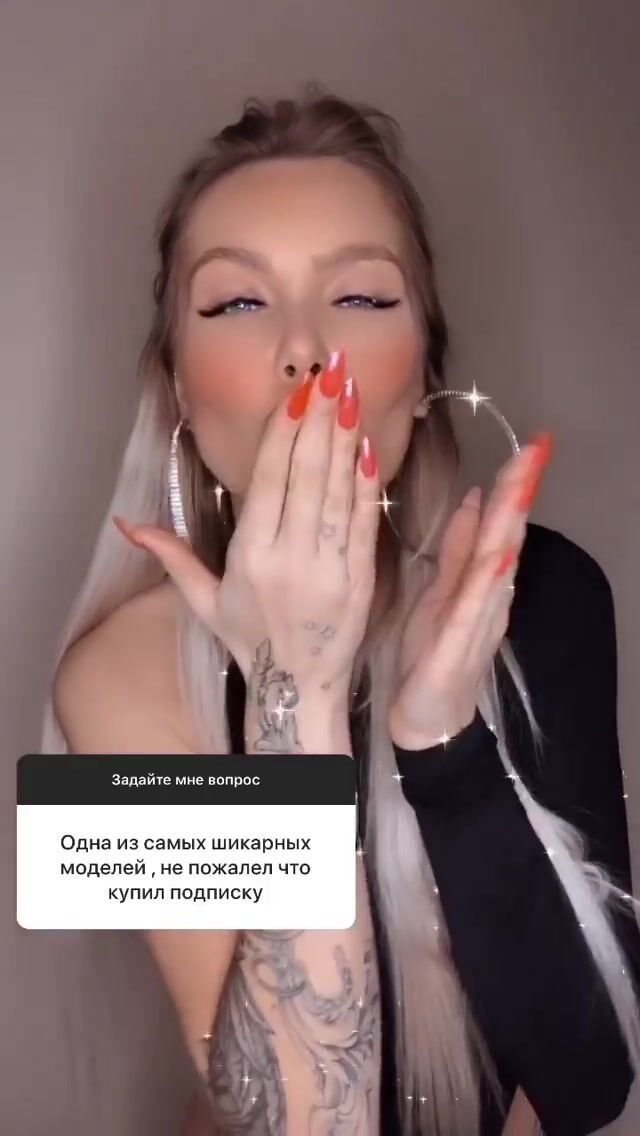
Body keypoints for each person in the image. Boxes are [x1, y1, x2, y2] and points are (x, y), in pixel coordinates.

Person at [41, 84, 640, 1136]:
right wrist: (298, 692)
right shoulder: (110, 677)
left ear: (426, 368)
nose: (305, 350)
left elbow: (594, 1087)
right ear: (178, 387)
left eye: (361, 297)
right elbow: (300, 1119)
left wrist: (444, 749)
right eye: (237, 303)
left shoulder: (546, 592)